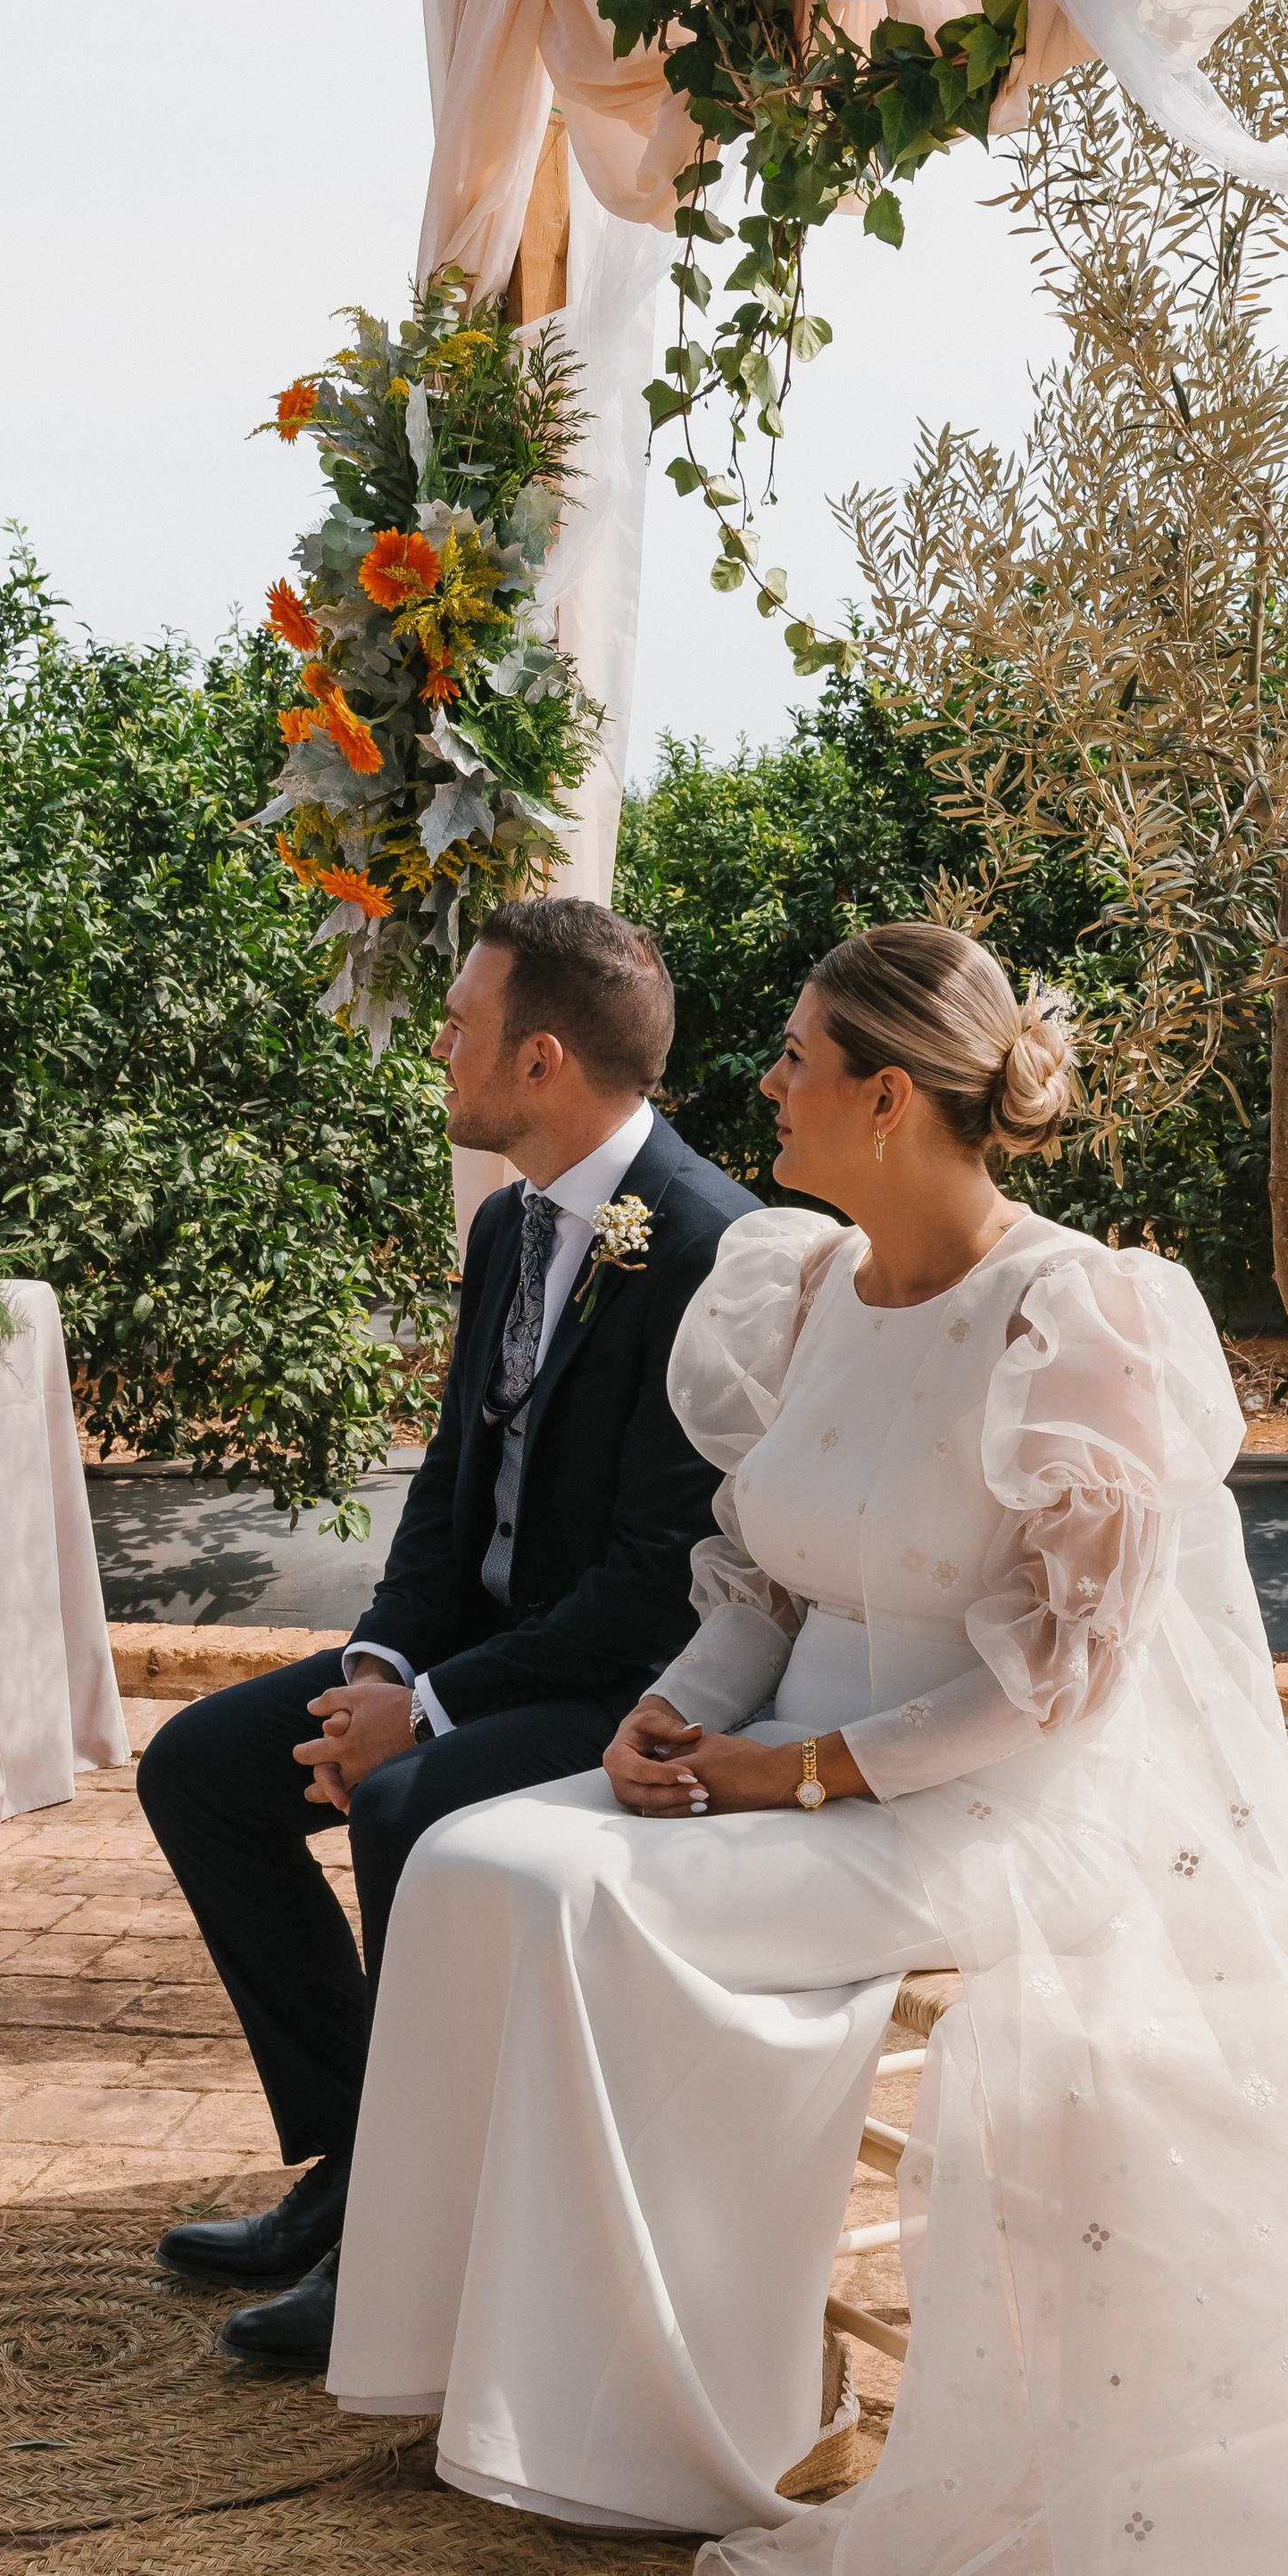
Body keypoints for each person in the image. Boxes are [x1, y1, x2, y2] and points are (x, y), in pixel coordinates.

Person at [326, 920, 1288, 2576]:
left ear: (886, 1096)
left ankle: (672, 2430)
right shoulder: (799, 1285)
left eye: (798, 1059)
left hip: (981, 1809)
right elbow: (752, 1582)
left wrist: (793, 1773)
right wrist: (672, 1719)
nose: (767, 1085)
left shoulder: (1074, 1318)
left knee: (568, 1895)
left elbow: (1054, 1680)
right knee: (482, 1857)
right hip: (773, 1760)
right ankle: (475, 2362)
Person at [137, 896, 756, 2364]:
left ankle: (407, 2237)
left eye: (461, 1024)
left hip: (623, 1688)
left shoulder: (710, 1247)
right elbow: (447, 1496)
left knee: (405, 1799)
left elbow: (656, 1580)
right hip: (472, 1656)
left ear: (542, 1059)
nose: (439, 1046)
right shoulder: (506, 1221)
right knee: (199, 1771)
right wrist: (379, 1666)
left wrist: (427, 1714)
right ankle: (357, 2160)